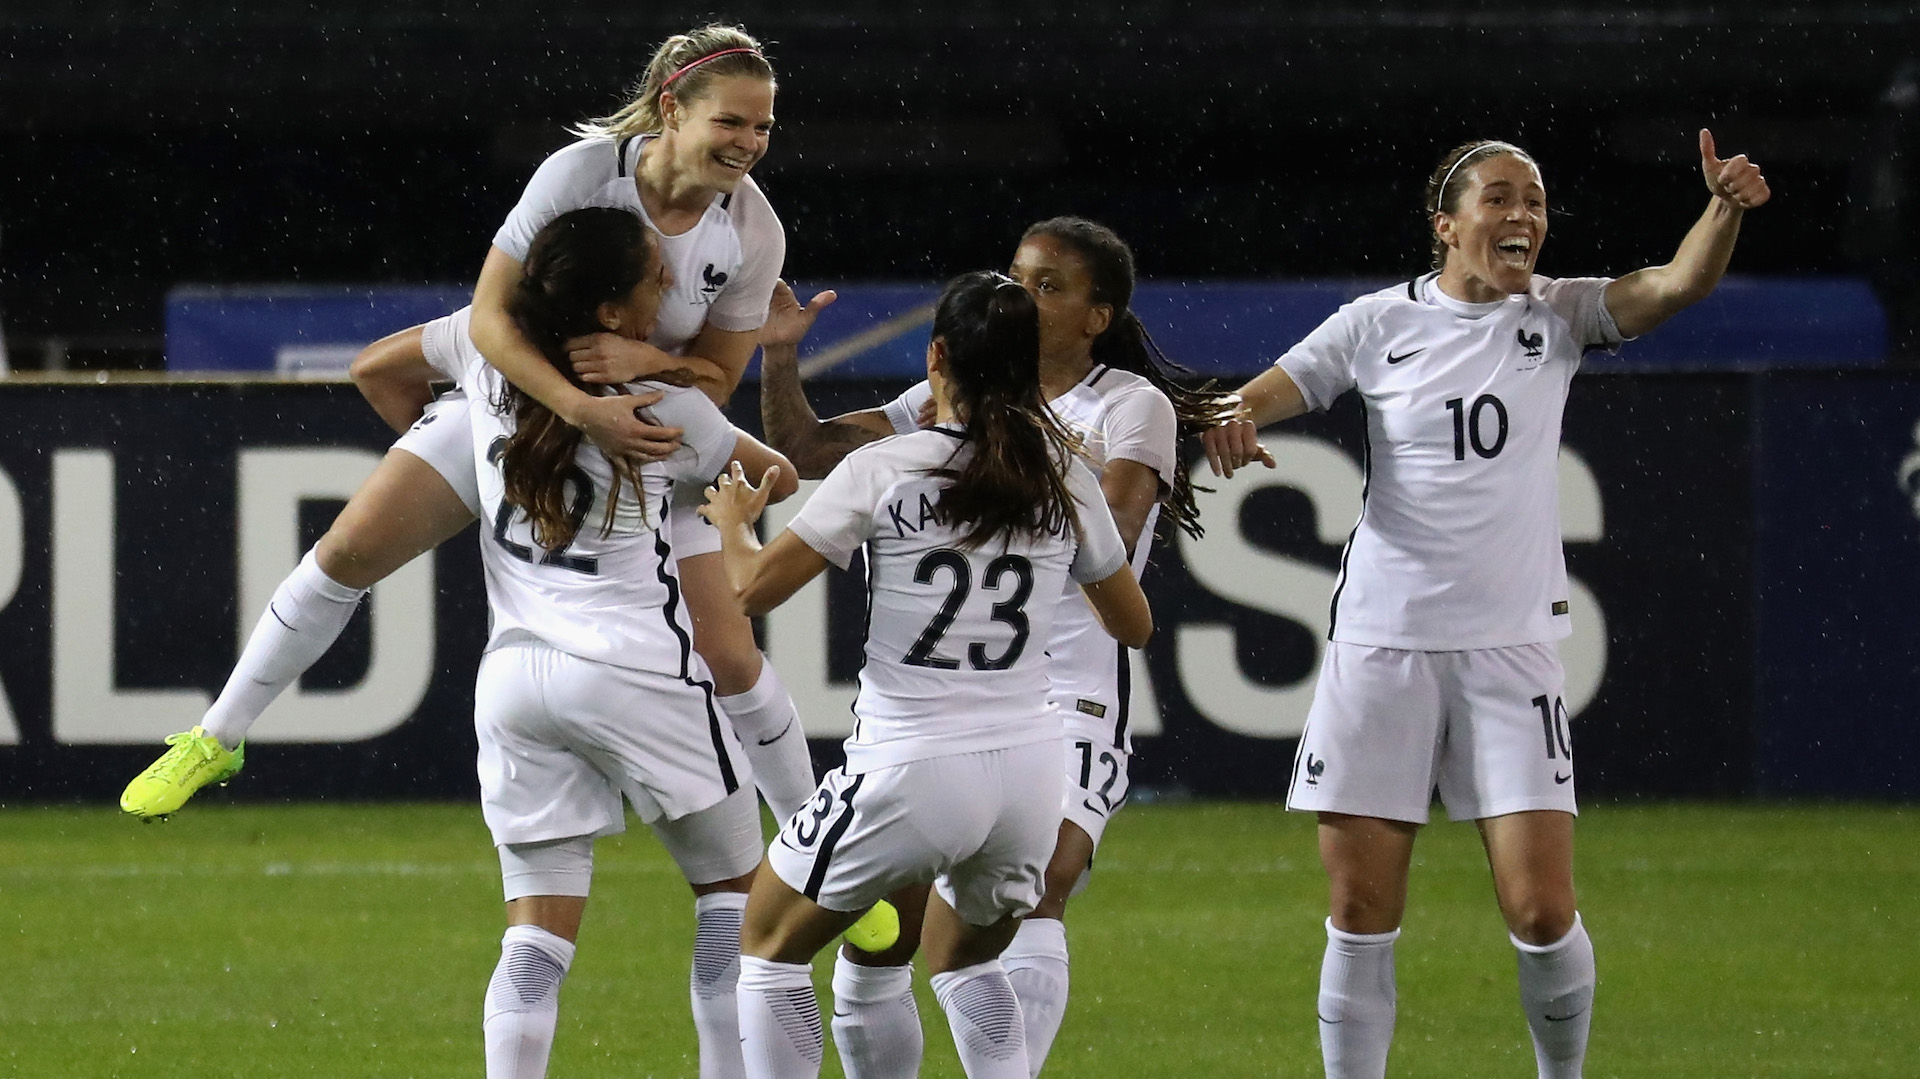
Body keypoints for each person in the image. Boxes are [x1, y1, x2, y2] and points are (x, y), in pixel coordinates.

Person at [119, 24, 822, 841]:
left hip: (646, 434)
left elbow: (716, 375)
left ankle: (815, 844)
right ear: (672, 109)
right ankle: (216, 737)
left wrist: (632, 368)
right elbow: (490, 316)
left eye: (763, 126)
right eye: (730, 122)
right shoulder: (581, 173)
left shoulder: (754, 232)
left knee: (730, 657)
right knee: (348, 550)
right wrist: (571, 408)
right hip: (530, 398)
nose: (748, 143)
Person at [1201, 130, 1770, 1079]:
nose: (1525, 218)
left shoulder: (1563, 314)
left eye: (1537, 202)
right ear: (1447, 224)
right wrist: (1230, 419)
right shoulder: (1377, 324)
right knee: (1360, 914)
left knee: (1542, 912)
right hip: (1382, 645)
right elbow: (1259, 396)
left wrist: (1725, 208)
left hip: (1511, 650)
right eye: (1501, 199)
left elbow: (1677, 285)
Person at [758, 216, 1234, 1076]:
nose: (1024, 292)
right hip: (986, 725)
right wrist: (782, 357)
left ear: (1099, 316)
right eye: (1017, 276)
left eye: (1048, 283)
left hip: (1062, 707)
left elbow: (1117, 536)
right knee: (890, 947)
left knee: (1026, 899)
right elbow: (805, 447)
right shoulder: (950, 425)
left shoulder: (1128, 405)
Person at [701, 271, 1153, 1079]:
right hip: (1029, 775)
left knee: (767, 948)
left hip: (911, 763)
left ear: (936, 354)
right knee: (966, 964)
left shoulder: (890, 465)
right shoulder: (1063, 476)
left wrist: (734, 524)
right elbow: (1133, 624)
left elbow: (750, 589)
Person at [442, 206, 797, 1079]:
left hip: (515, 677)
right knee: (734, 901)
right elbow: (775, 475)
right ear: (610, 311)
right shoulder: (663, 406)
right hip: (634, 662)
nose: (670, 287)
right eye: (654, 279)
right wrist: (673, 368)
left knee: (534, 935)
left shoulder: (483, 372)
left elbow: (377, 366)